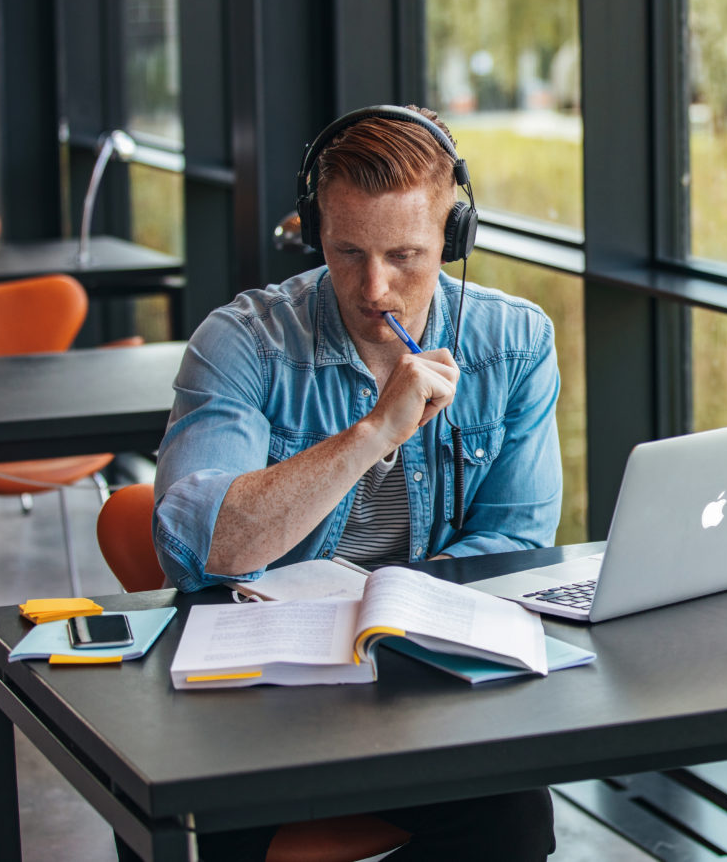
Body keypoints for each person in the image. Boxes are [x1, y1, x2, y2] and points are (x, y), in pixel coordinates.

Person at [148, 104, 562, 861]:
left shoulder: (518, 343)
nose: (375, 288)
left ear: (452, 236)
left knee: (516, 820)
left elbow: (518, 545)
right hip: (258, 697)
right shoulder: (242, 344)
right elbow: (199, 549)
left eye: (405, 254)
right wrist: (374, 431)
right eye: (347, 253)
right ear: (316, 231)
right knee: (183, 826)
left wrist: (395, 613)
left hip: (420, 681)